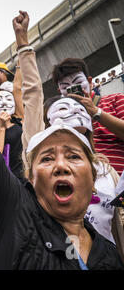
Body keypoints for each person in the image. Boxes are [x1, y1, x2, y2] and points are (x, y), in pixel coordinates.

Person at [0, 0, 123, 270]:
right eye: (46, 158)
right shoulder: (14, 211)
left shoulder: (109, 255)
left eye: (73, 156)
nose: (60, 165)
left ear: (94, 174)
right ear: (30, 177)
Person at [44, 95, 124, 258]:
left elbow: (116, 223)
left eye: (79, 109)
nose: (73, 113)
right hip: (66, 260)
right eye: (63, 109)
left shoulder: (106, 171)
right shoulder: (42, 173)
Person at [52, 58, 124, 176]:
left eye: (78, 82)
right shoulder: (62, 120)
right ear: (60, 91)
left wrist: (96, 113)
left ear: (90, 82)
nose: (73, 89)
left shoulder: (115, 100)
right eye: (65, 87)